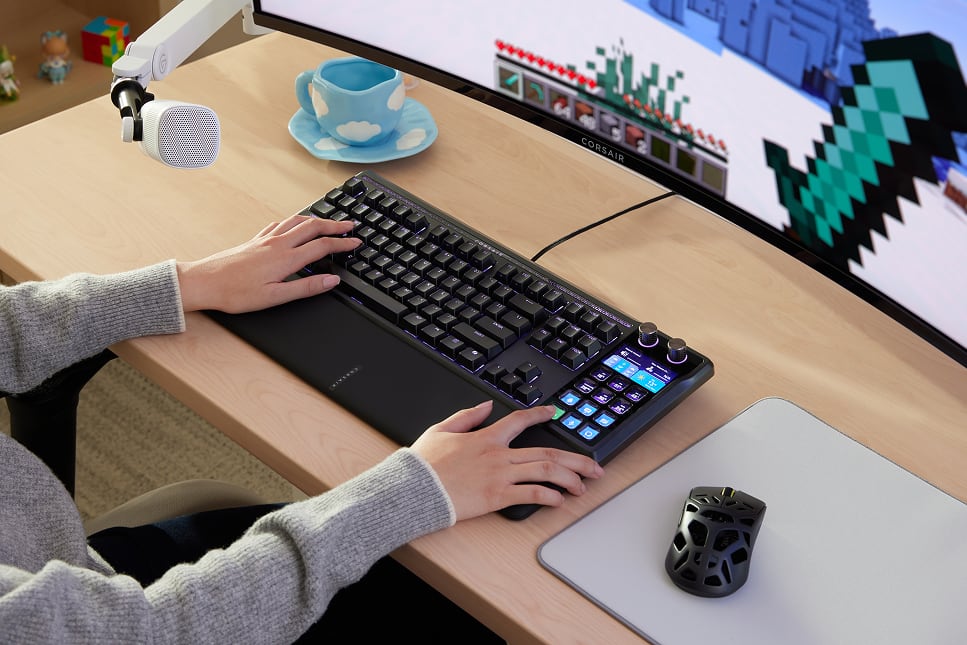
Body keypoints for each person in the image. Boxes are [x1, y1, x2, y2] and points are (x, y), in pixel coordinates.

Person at [0, 215, 603, 643]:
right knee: (477, 601)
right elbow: (159, 633)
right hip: (141, 620)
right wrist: (416, 490)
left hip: (70, 581)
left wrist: (188, 283)